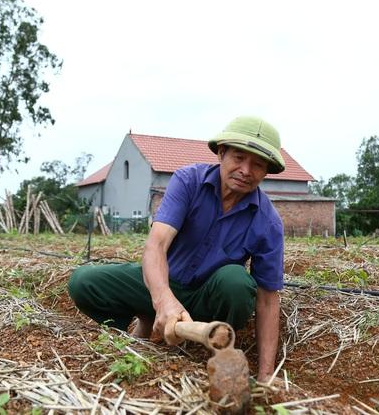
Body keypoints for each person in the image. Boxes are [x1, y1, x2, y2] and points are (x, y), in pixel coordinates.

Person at [68, 116, 285, 382]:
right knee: (84, 282)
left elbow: (267, 299)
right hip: (161, 282)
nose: (245, 170)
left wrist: (266, 376)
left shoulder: (268, 221)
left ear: (266, 171)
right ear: (221, 153)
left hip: (206, 297)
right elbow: (156, 245)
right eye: (238, 157)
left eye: (257, 164)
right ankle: (147, 316)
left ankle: (213, 347)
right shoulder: (188, 181)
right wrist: (163, 300)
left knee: (236, 282)